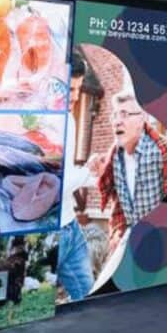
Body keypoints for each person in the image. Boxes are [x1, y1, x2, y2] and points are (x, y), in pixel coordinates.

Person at [90, 69, 167, 252]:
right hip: (127, 243)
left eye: (125, 114)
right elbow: (116, 198)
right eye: (115, 115)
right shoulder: (114, 156)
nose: (117, 121)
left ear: (142, 118)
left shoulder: (163, 151)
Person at [56, 52, 96, 302]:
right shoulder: (45, 122)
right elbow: (56, 185)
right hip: (52, 231)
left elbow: (69, 176)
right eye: (70, 89)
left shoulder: (69, 119)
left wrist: (93, 173)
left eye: (78, 89)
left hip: (70, 225)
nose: (74, 97)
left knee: (87, 293)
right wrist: (88, 173)